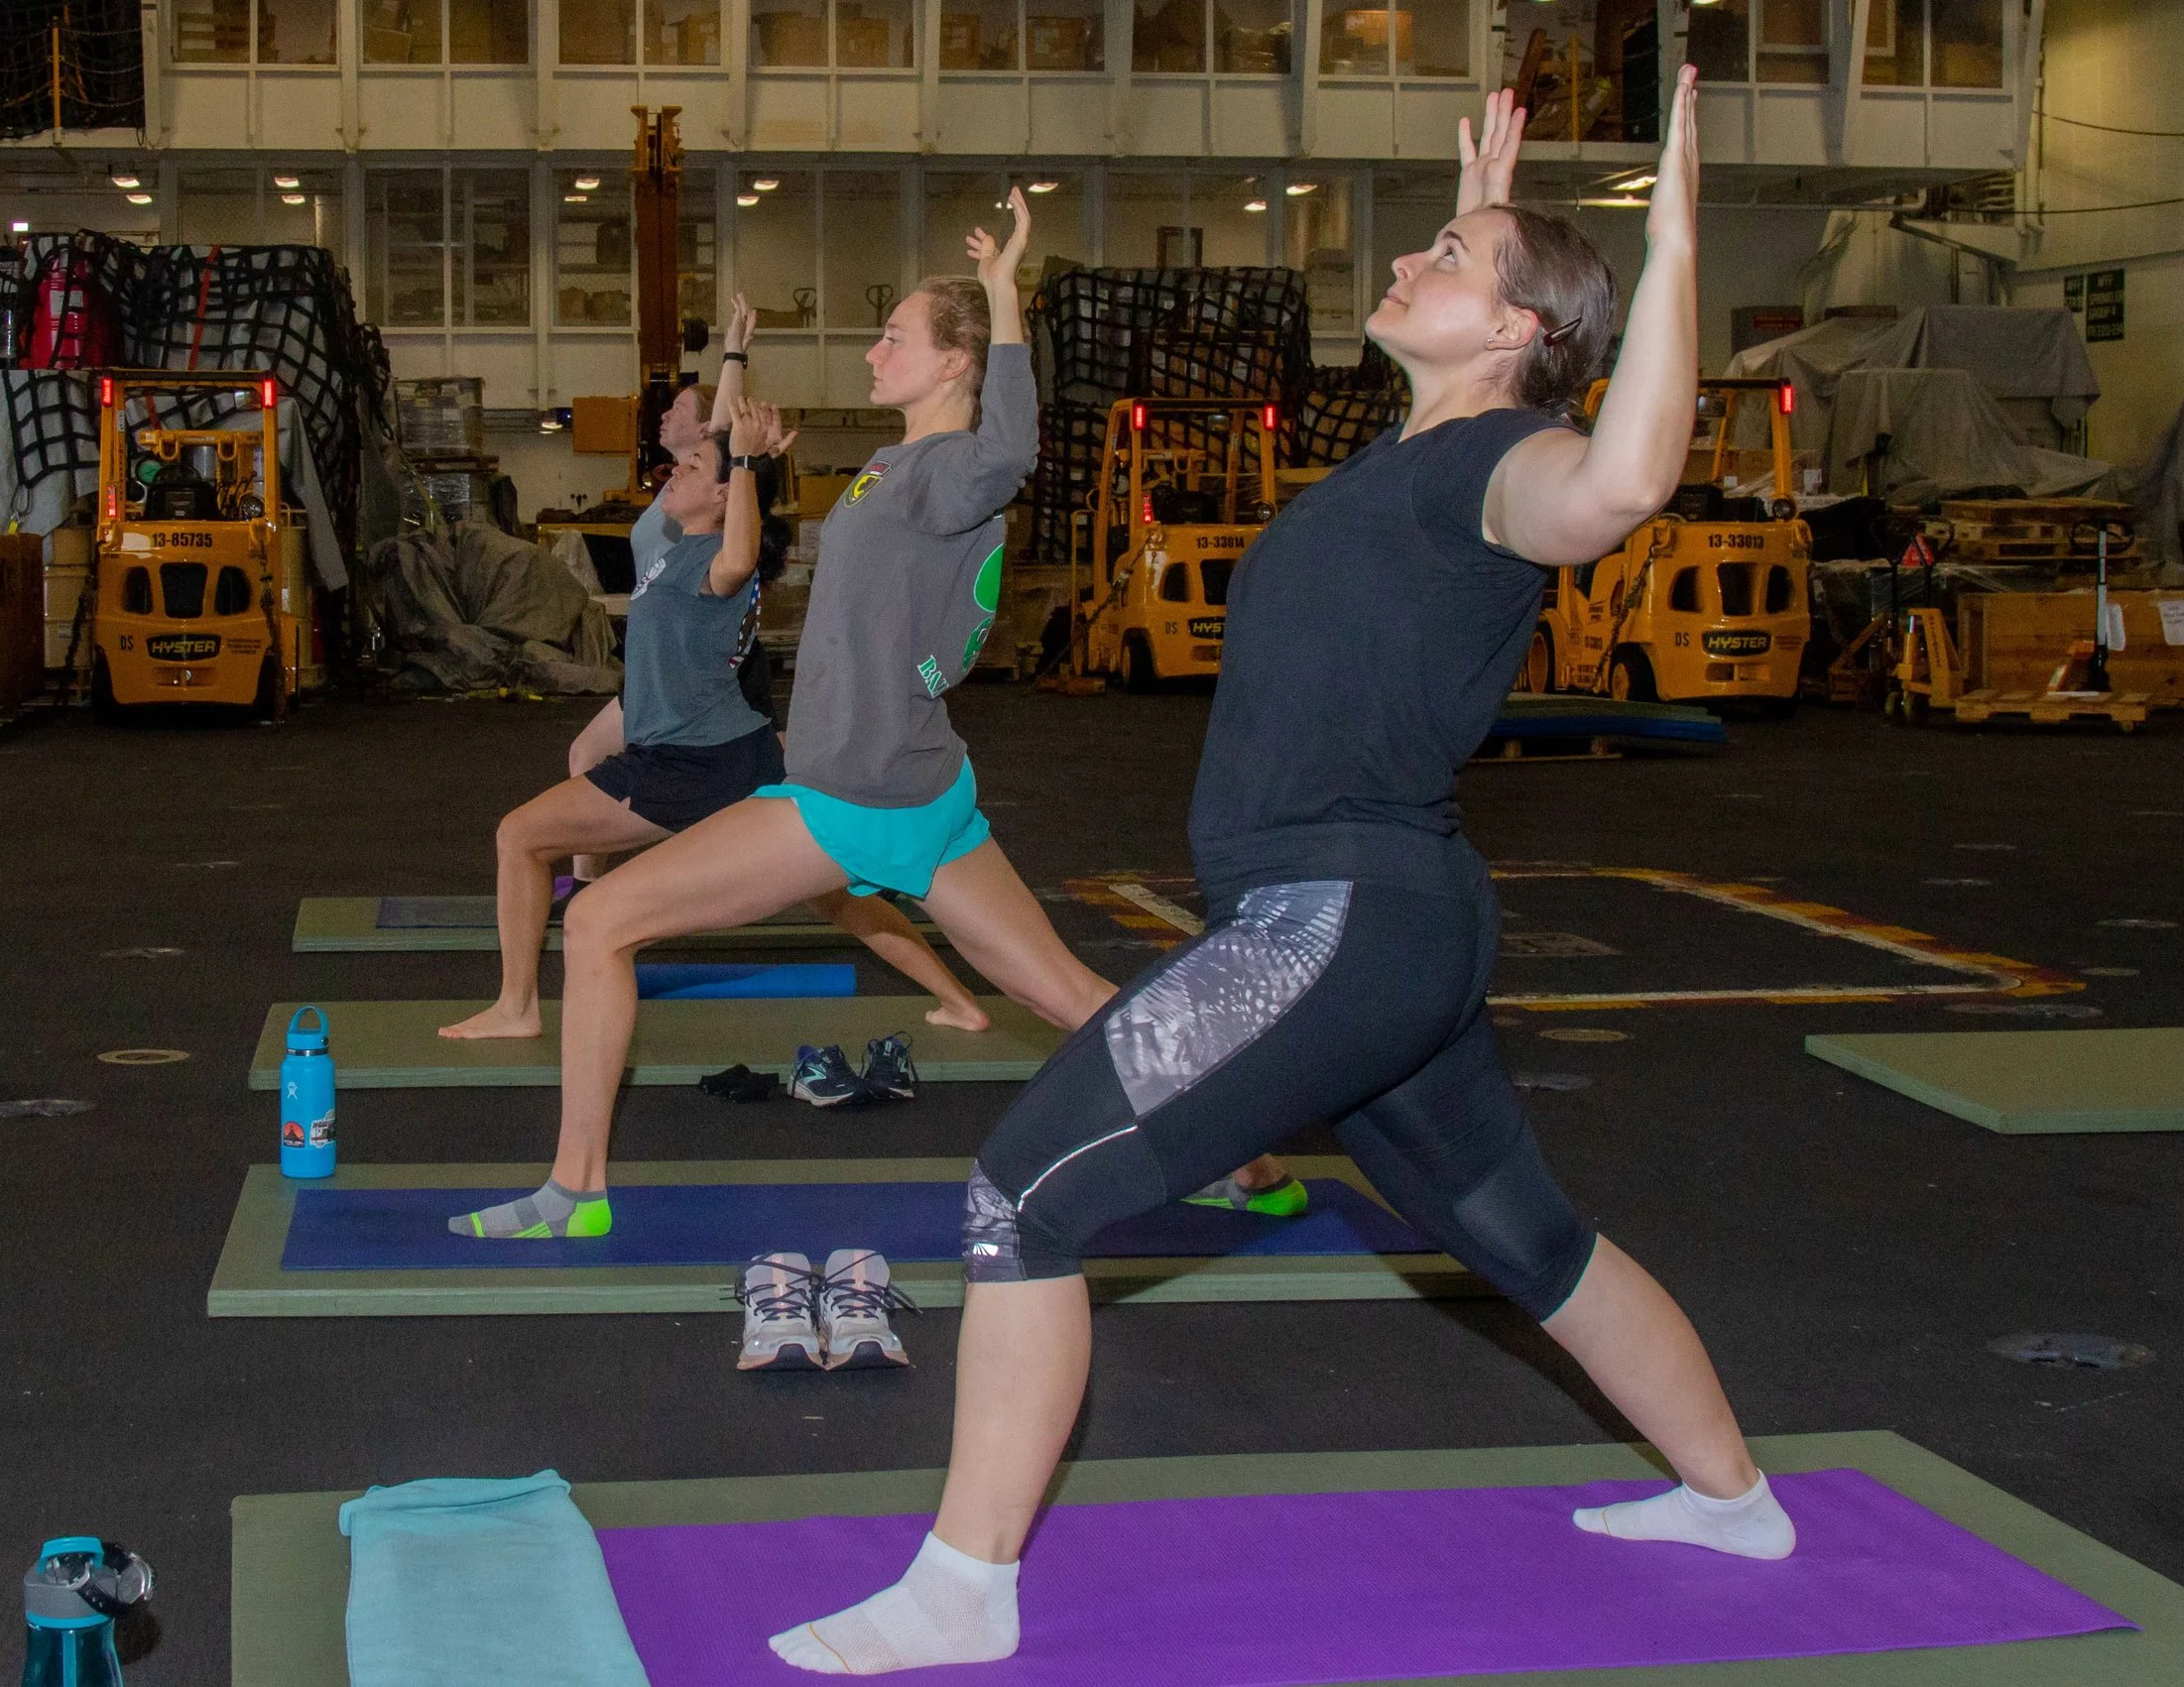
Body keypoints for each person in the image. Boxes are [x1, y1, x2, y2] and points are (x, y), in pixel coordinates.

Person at [768, 70, 1797, 1678]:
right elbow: (1482, 383)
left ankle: (965, 1586)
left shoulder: (1505, 467)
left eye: (1444, 259)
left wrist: (1667, 244)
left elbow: (1622, 487)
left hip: (1342, 920)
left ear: (1521, 332)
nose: (1404, 265)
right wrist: (1490, 219)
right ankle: (1734, 1497)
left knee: (1022, 1194)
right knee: (1529, 1240)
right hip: (1398, 930)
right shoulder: (1418, 456)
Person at [460, 190, 1292, 1244]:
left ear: (955, 362)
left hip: (852, 796)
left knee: (597, 919)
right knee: (1062, 992)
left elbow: (1011, 451)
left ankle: (573, 1194)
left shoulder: (952, 469)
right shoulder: (890, 467)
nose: (870, 352)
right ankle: (1246, 1151)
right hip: (926, 791)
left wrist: (1001, 298)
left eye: (892, 336)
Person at [438, 304, 991, 1065]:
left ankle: (516, 1007)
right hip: (725, 749)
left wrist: (745, 468)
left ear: (726, 498)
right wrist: (732, 377)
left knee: (518, 835)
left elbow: (740, 537)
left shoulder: (716, 566)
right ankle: (959, 998)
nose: (676, 472)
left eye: (693, 471)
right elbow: (721, 446)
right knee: (840, 897)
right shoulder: (669, 544)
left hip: (689, 764)